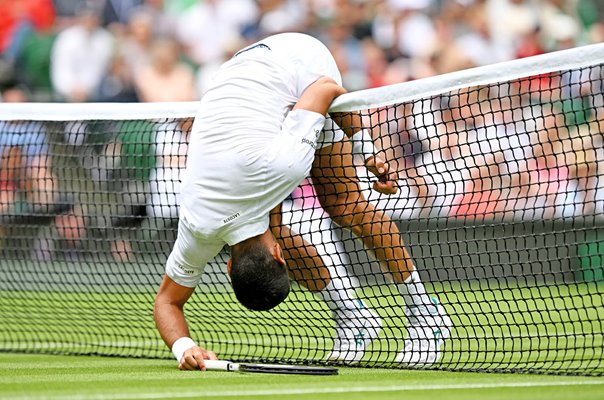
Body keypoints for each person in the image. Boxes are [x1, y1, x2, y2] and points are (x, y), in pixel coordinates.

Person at [153, 32, 450, 371]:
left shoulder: (281, 167)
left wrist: (369, 153)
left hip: (297, 60)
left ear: (230, 266)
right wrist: (183, 347)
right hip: (241, 80)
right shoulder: (195, 224)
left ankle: (429, 316)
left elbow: (325, 88)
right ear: (229, 266)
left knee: (345, 206)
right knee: (276, 227)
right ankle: (356, 318)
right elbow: (165, 301)